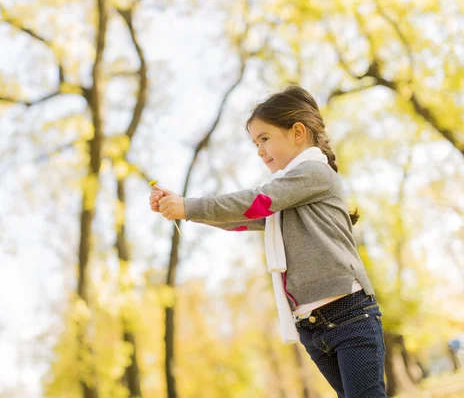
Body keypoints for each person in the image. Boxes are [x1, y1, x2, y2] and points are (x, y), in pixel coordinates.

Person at [149, 85, 387, 397]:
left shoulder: (313, 173)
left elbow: (257, 202)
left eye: (264, 138)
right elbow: (243, 219)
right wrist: (183, 210)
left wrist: (189, 205)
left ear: (298, 132)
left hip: (349, 314)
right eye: (254, 144)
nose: (260, 151)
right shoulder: (286, 197)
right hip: (312, 324)